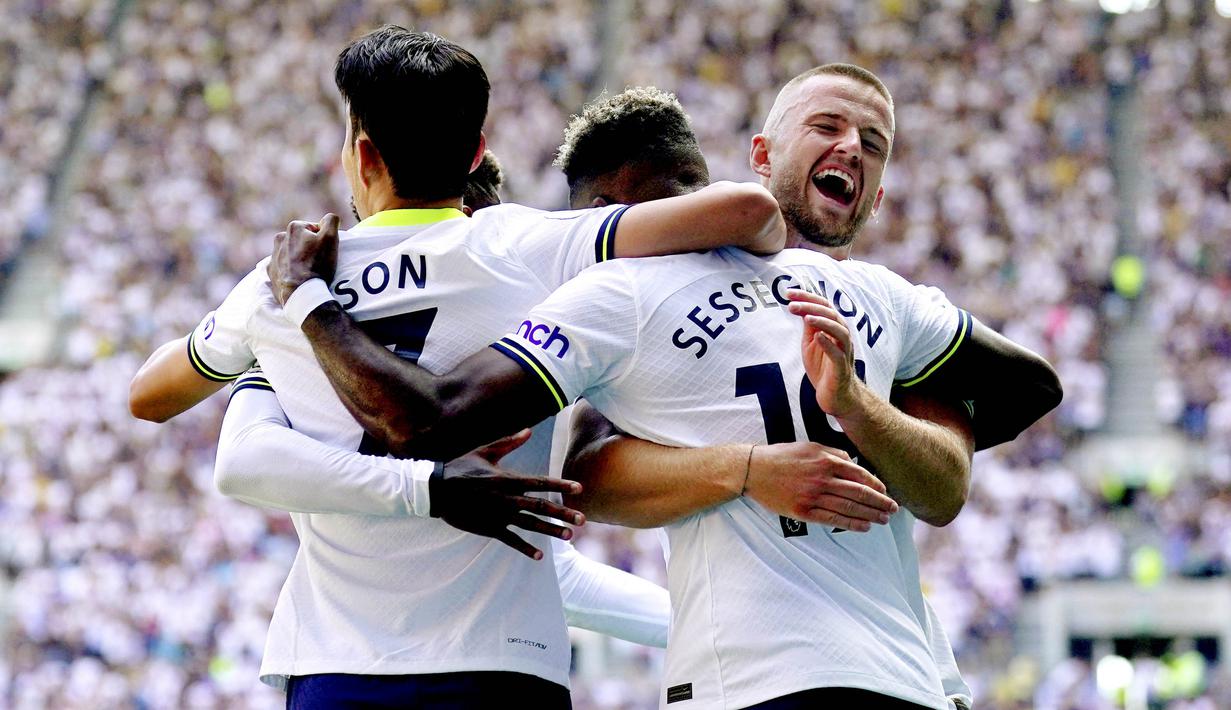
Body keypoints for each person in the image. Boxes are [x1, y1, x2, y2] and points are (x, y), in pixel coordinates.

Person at [265, 65, 1060, 709]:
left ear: (604, 217)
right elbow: (1026, 390)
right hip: (892, 675)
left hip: (766, 680)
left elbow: (446, 426)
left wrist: (307, 300)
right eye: (827, 127)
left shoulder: (624, 296)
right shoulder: (868, 293)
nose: (850, 149)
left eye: (870, 142)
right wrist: (804, 445)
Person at [130, 24, 871, 709]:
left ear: (359, 156)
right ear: (478, 151)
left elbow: (151, 396)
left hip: (338, 663)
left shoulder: (279, 282)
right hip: (505, 664)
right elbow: (747, 212)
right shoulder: (525, 246)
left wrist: (273, 314)